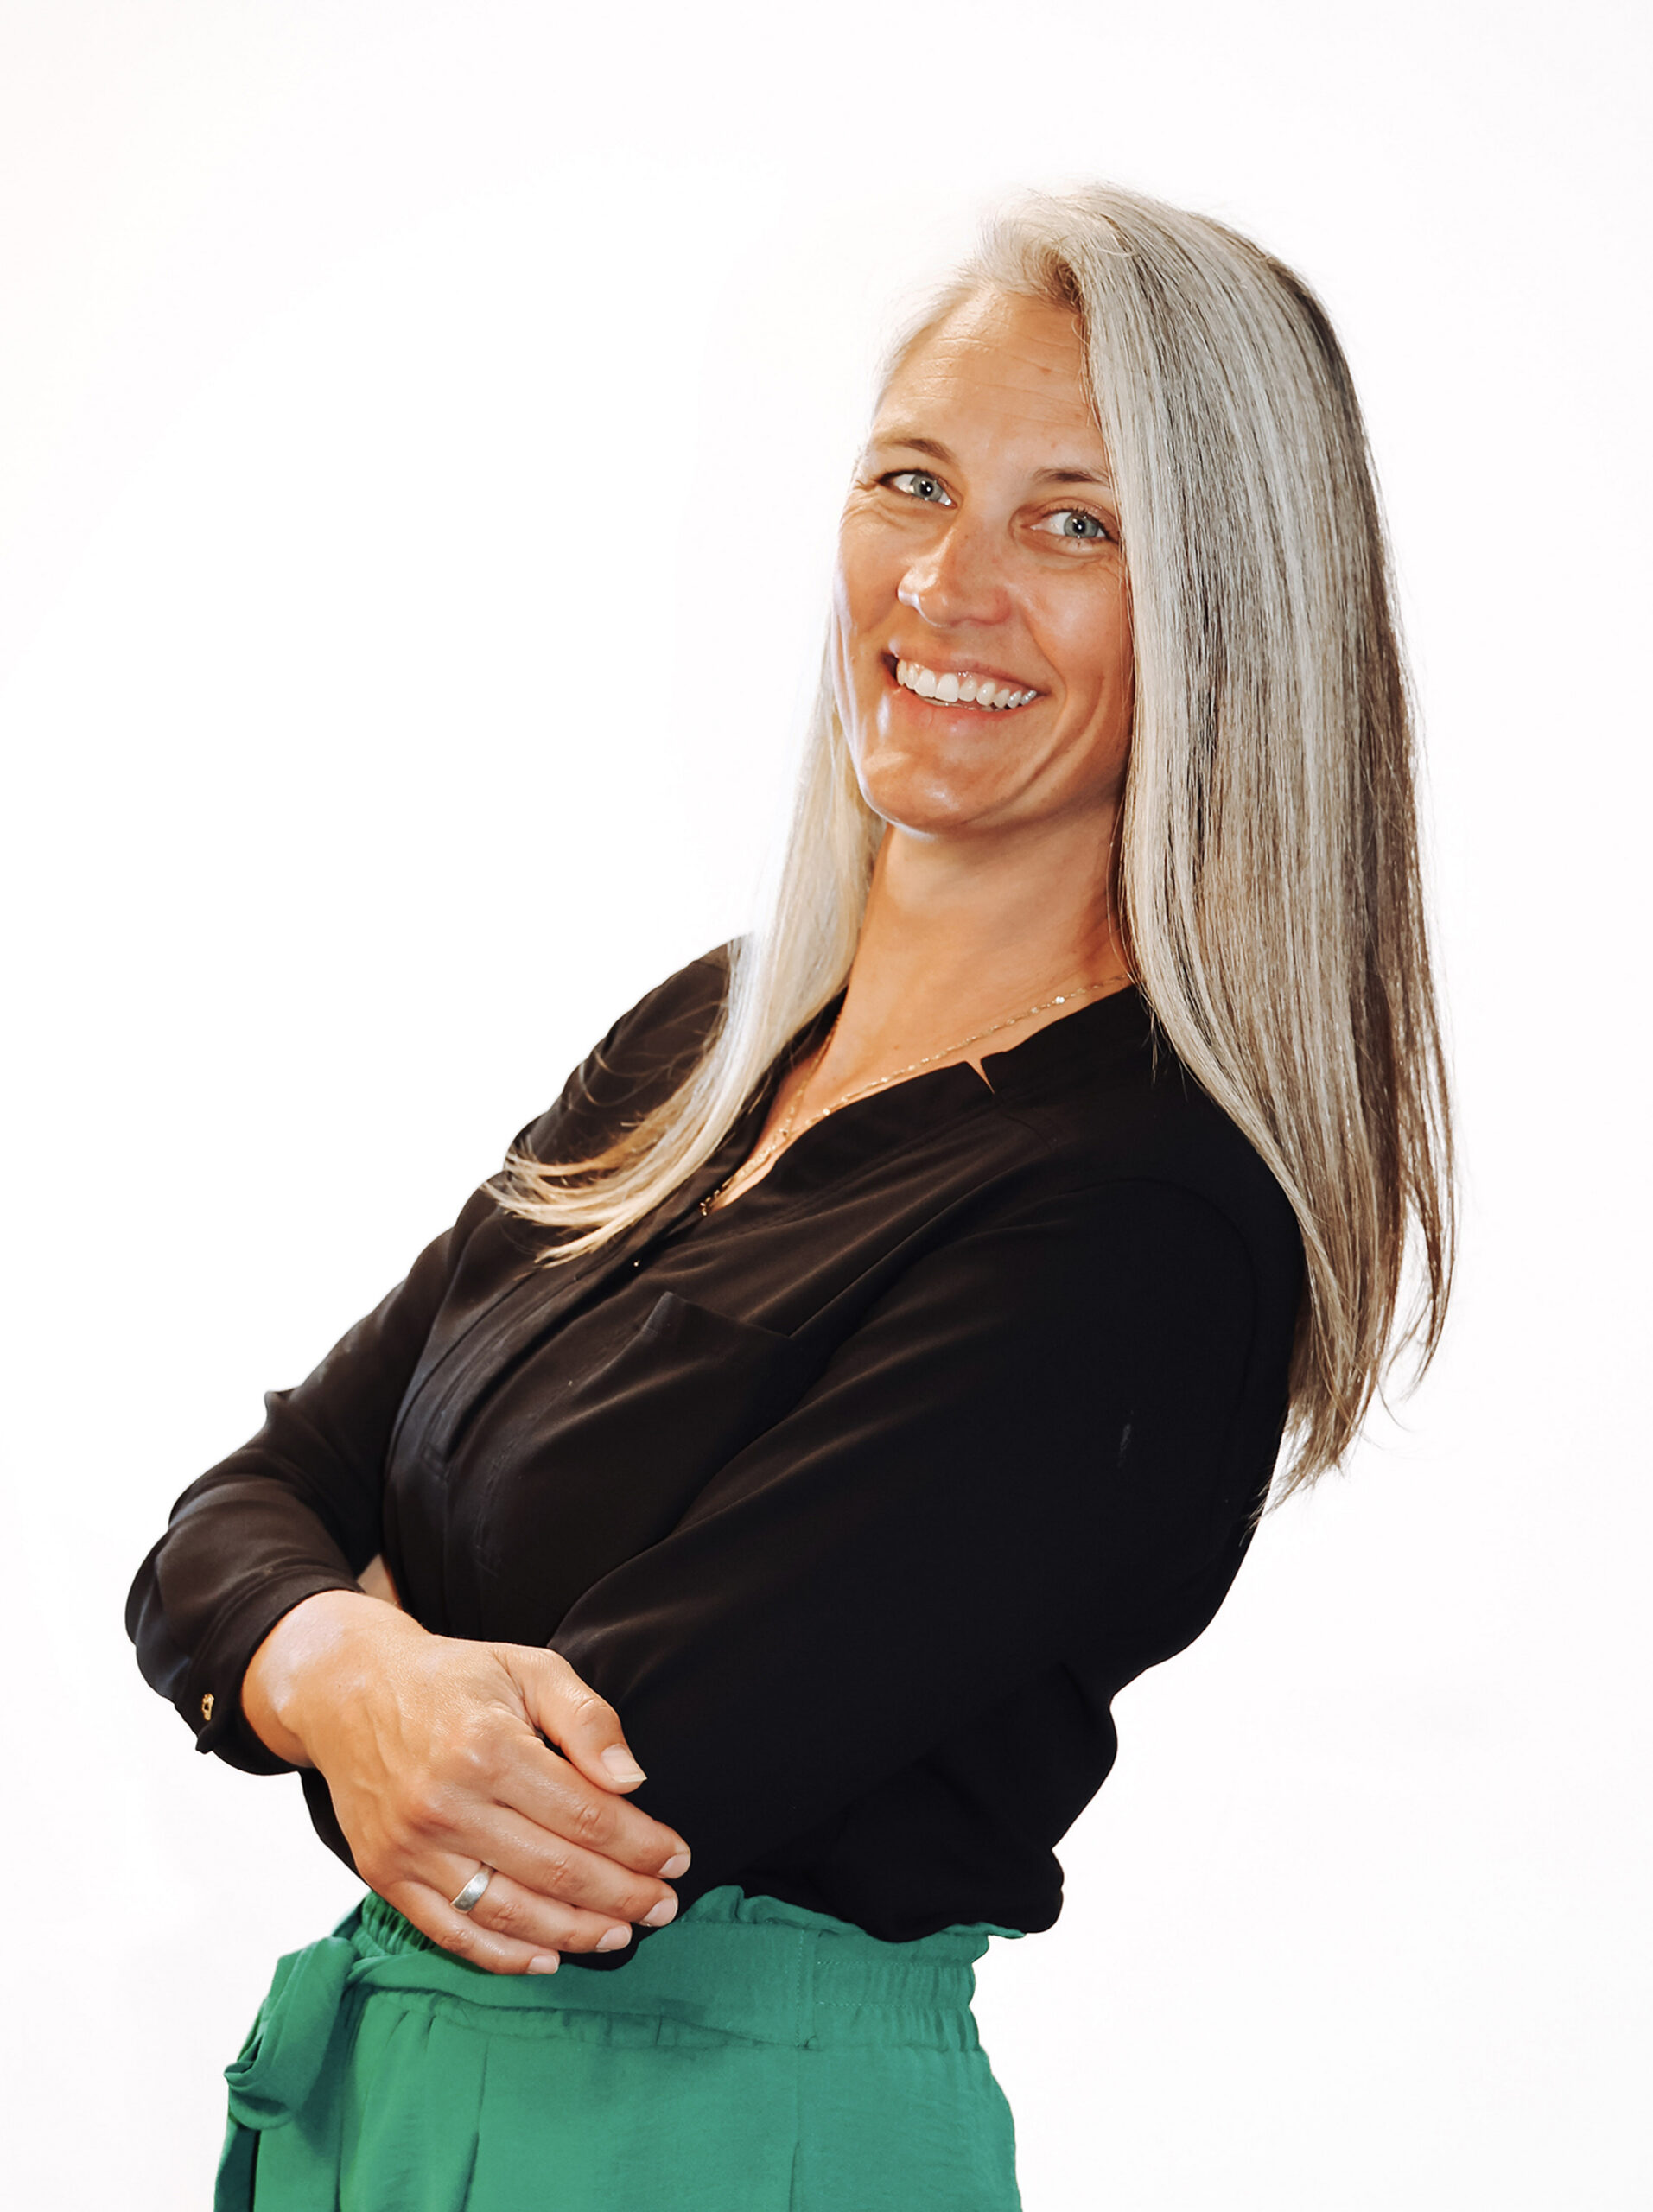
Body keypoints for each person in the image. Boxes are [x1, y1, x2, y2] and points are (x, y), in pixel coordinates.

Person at [127, 181, 1454, 2211]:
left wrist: (315, 1647)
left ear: (1227, 611)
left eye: (1075, 523)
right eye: (911, 481)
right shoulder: (707, 1038)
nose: (949, 583)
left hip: (718, 2141)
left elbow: (601, 1801)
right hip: (389, 2109)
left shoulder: (1141, 1213)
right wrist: (346, 1674)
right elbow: (242, 1506)